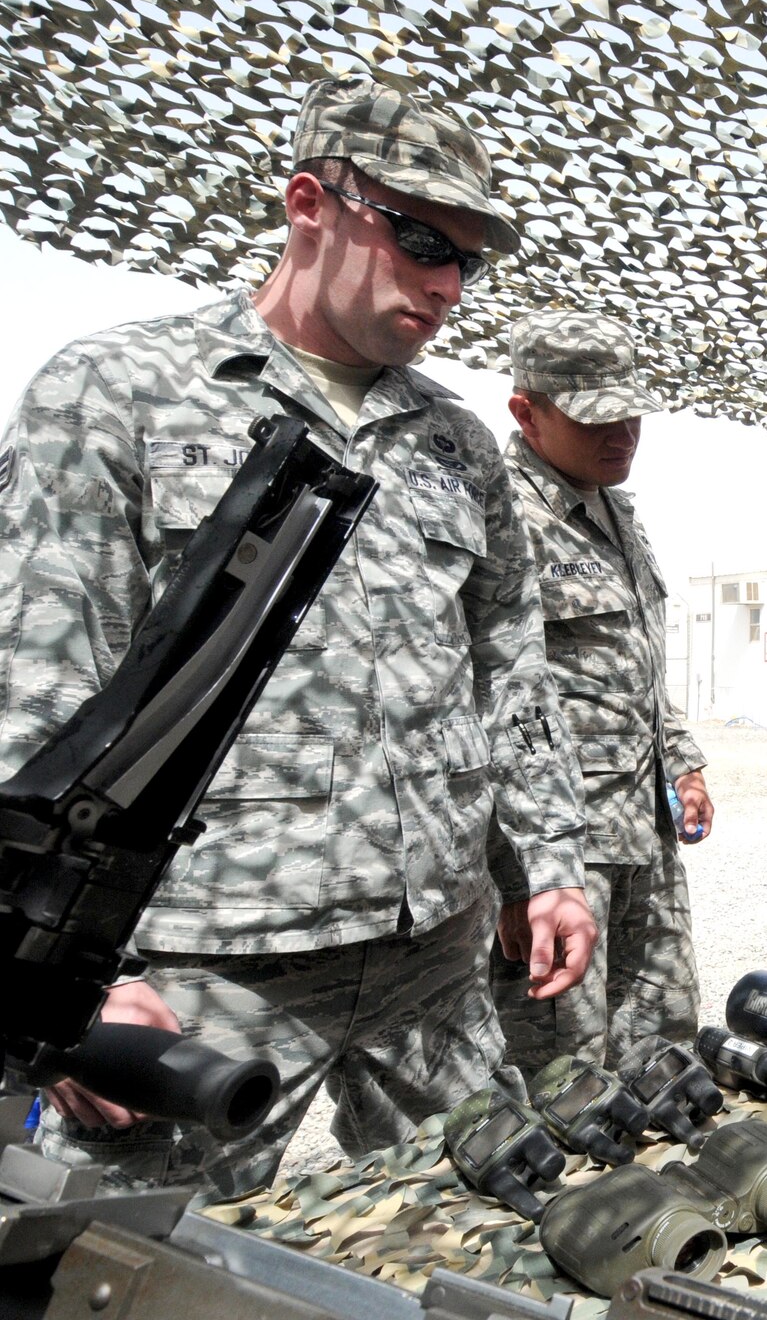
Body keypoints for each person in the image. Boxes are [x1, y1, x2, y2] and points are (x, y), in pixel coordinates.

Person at [0, 76, 596, 1195]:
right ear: (309, 202)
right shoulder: (118, 392)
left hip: (432, 956)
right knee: (133, 1268)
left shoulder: (457, 444)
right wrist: (80, 971)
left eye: (468, 259)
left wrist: (549, 864)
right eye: (420, 238)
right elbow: (33, 690)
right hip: (207, 963)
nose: (444, 282)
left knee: (503, 1236)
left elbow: (511, 671)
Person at [494, 310, 713, 1074]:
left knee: (663, 1040)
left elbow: (635, 659)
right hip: (561, 845)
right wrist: (513, 870)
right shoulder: (502, 517)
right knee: (563, 1062)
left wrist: (682, 761)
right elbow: (483, 694)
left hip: (642, 832)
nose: (621, 434)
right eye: (596, 418)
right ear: (526, 412)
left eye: (631, 414)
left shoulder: (618, 512)